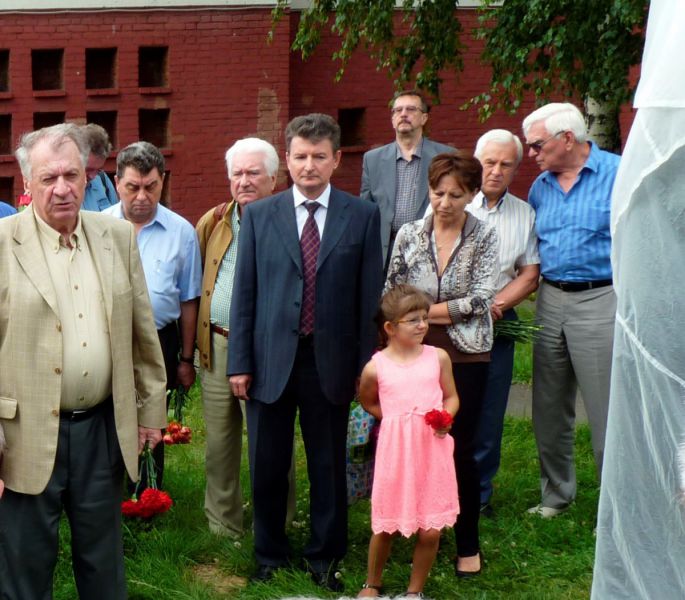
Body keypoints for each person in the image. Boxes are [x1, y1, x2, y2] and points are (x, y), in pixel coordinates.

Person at [0, 123, 167, 599]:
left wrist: (150, 412)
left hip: (101, 429)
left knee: (103, 564)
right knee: (25, 567)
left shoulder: (116, 235)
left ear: (87, 176)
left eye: (71, 175)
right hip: (23, 434)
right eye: (48, 178)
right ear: (27, 182)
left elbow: (141, 333)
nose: (62, 188)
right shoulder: (2, 242)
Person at [228, 113, 383, 592]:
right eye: (300, 156)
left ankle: (325, 555)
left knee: (327, 464)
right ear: (288, 160)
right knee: (268, 465)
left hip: (331, 362)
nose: (309, 165)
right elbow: (245, 294)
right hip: (270, 361)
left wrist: (365, 366)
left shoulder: (362, 216)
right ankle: (269, 554)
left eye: (319, 156)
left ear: (336, 160)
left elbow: (368, 300)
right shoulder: (260, 215)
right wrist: (240, 362)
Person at [386, 151, 498, 577]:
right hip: (413, 352)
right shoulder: (409, 233)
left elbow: (480, 300)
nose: (445, 203)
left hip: (467, 352)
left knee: (459, 446)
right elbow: (392, 291)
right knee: (412, 441)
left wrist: (416, 314)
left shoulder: (484, 235)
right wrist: (418, 321)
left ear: (472, 195)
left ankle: (467, 542)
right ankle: (414, 527)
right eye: (438, 193)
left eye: (455, 195)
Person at [522, 103, 619, 518]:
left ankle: (615, 507)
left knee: (605, 408)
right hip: (550, 298)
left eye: (536, 144)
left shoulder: (617, 173)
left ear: (567, 139)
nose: (530, 153)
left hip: (600, 297)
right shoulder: (540, 186)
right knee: (548, 404)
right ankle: (556, 496)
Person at [195, 137, 295, 538]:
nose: (244, 181)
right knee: (219, 444)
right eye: (237, 173)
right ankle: (223, 526)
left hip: (268, 350)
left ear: (273, 177)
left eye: (254, 172)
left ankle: (277, 524)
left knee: (270, 442)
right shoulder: (215, 220)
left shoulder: (290, 222)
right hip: (219, 345)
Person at [104, 141, 202, 490]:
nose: (142, 196)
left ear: (163, 181)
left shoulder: (182, 232)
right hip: (108, 338)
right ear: (117, 183)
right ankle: (107, 490)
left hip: (160, 339)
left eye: (151, 186)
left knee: (152, 416)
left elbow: (189, 299)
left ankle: (148, 494)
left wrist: (186, 359)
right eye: (133, 187)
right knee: (107, 414)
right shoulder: (98, 227)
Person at [357, 284, 460, 599]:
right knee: (386, 525)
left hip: (432, 450)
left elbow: (451, 396)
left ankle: (414, 591)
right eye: (413, 320)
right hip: (397, 454)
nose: (422, 325)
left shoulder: (437, 357)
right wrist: (394, 419)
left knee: (430, 531)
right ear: (390, 328)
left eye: (425, 318)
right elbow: (368, 401)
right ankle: (372, 583)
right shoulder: (376, 367)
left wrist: (445, 417)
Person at [467, 129, 540, 515]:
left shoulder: (524, 213)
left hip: (498, 319)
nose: (496, 171)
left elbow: (529, 273)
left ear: (515, 169)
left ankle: (479, 494)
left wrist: (494, 305)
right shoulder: (451, 202)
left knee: (490, 410)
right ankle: (444, 490)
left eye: (505, 164)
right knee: (450, 405)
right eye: (489, 162)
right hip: (451, 320)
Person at [360, 89, 453, 266]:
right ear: (392, 120)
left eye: (411, 109)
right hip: (385, 252)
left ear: (424, 118)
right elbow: (365, 210)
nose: (403, 114)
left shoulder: (445, 157)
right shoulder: (372, 160)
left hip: (431, 251)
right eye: (398, 110)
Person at [81, 123, 118, 212]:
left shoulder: (103, 179)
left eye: (98, 170)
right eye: (88, 169)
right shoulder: (63, 190)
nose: (93, 176)